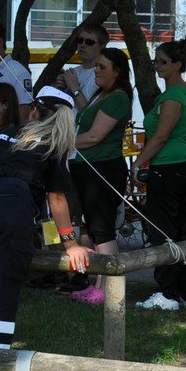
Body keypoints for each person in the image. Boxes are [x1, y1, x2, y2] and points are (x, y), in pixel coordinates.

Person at [0, 85, 92, 371]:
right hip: (11, 208)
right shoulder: (54, 144)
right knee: (5, 292)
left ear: (33, 111)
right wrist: (70, 243)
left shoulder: (6, 135)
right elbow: (57, 198)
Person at [134, 40, 186, 311]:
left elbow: (161, 135)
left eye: (163, 61)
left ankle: (168, 293)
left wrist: (139, 162)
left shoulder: (174, 96)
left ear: (178, 65)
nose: (158, 66)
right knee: (184, 229)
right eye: (156, 61)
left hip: (169, 166)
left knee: (162, 229)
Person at [69, 46, 134, 306]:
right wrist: (76, 90)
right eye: (96, 66)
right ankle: (97, 284)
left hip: (103, 169)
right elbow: (88, 116)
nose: (96, 70)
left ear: (117, 72)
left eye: (102, 67)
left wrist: (63, 141)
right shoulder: (102, 95)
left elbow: (95, 135)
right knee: (93, 229)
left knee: (102, 228)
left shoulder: (118, 98)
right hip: (88, 168)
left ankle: (109, 288)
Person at [57, 23, 107, 108]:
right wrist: (60, 89)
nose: (83, 45)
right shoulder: (73, 72)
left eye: (89, 42)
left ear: (102, 46)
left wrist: (75, 89)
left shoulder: (104, 75)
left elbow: (89, 115)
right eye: (80, 40)